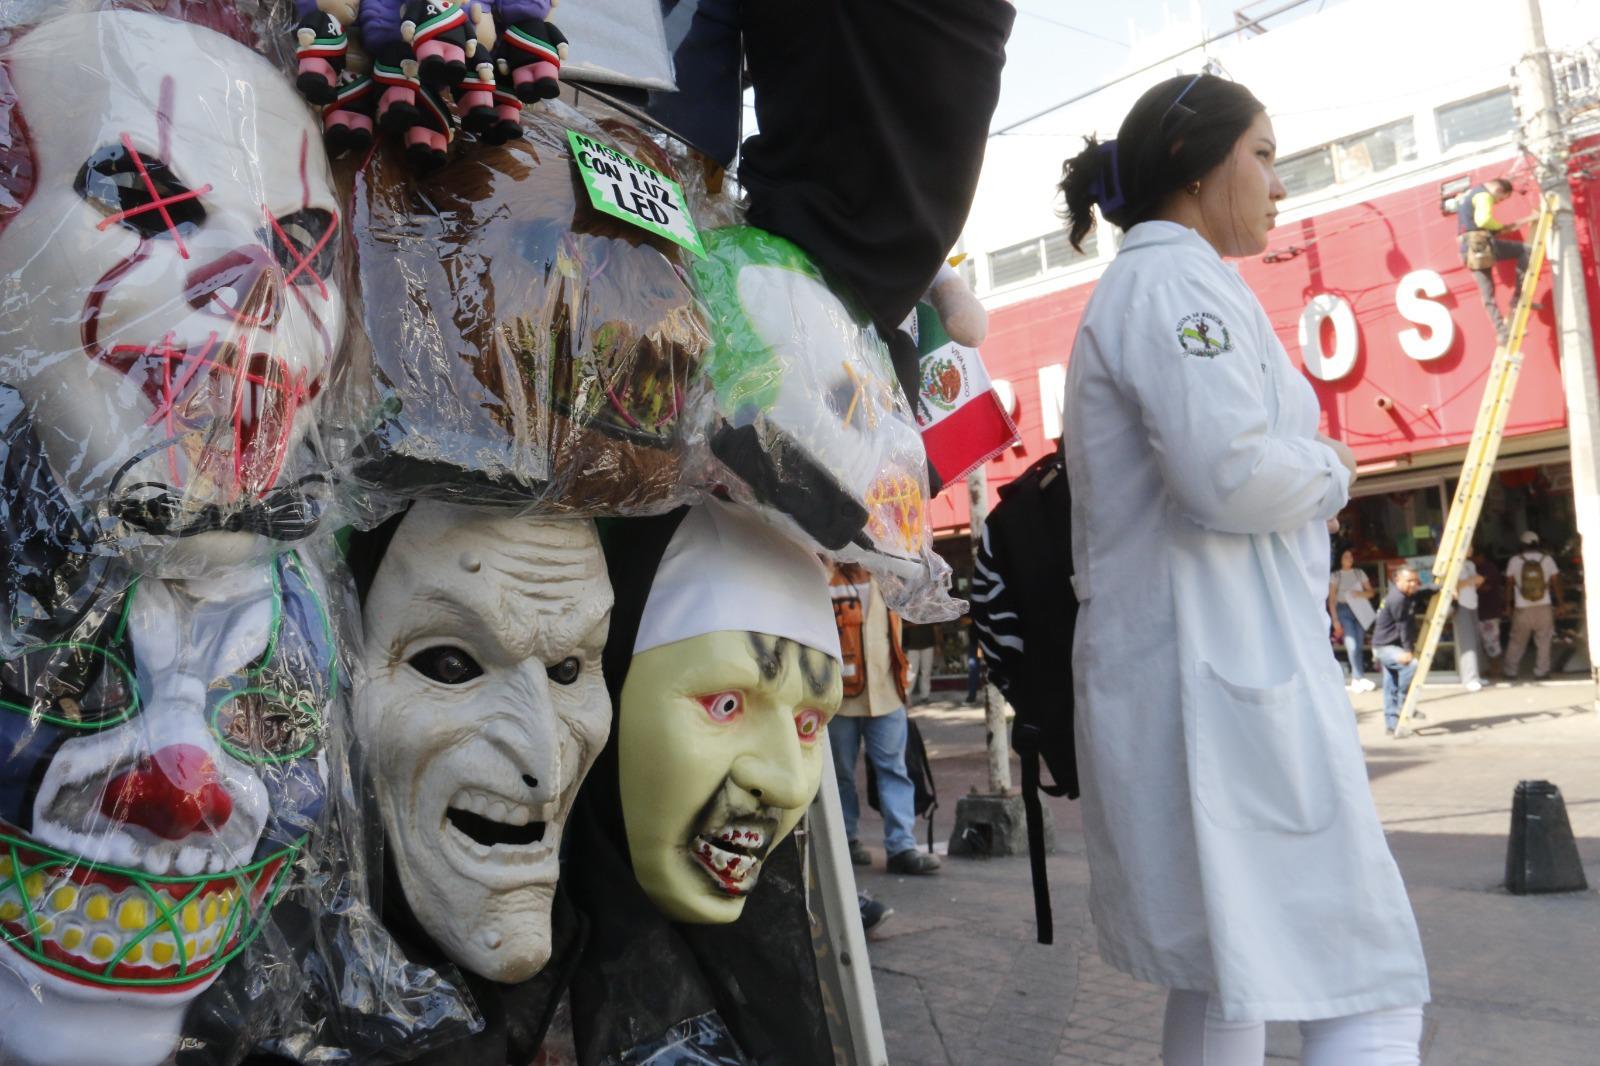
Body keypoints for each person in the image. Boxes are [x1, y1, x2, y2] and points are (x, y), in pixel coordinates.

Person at [1059, 73, 1428, 1065]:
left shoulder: (1166, 285)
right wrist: (1332, 468)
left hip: (1210, 675)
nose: (1277, 182)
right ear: (1193, 161)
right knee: (1364, 977)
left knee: (1231, 976)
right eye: (1261, 154)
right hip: (1222, 686)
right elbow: (1225, 472)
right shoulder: (1173, 286)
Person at [828, 564, 941, 875]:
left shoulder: (887, 576)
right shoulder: (825, 575)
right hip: (840, 695)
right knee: (840, 776)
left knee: (894, 770)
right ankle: (845, 840)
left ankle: (901, 846)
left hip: (887, 689)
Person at [1456, 177, 1538, 344]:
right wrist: (1499, 227)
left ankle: (1502, 333)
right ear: (1498, 190)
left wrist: (1521, 222)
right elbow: (1483, 220)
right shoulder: (1484, 196)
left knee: (1487, 294)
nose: (1496, 203)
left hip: (1469, 251)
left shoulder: (1470, 195)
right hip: (1481, 244)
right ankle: (1517, 297)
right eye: (1500, 199)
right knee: (1526, 250)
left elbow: (1480, 224)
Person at [1371, 567, 1425, 735]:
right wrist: (1408, 650)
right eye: (1409, 581)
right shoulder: (1397, 599)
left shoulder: (1407, 594)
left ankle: (1391, 725)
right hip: (1384, 647)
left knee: (1390, 684)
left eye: (1416, 581)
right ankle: (1405, 703)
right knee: (1411, 664)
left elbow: (1424, 590)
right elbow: (1403, 627)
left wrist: (1442, 589)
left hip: (1391, 646)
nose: (1413, 584)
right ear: (1397, 581)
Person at [1504, 530, 1562, 680]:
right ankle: (1542, 671)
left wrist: (1508, 606)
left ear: (1522, 544)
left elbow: (1509, 585)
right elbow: (1556, 582)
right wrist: (1561, 603)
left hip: (1522, 607)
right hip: (1544, 606)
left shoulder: (1514, 561)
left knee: (1517, 640)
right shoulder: (1547, 560)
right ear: (1538, 543)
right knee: (1544, 640)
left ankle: (1511, 671)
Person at [1328, 549, 1378, 692]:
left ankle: (1360, 677)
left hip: (1359, 608)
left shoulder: (1359, 573)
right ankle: (1357, 677)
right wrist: (1335, 620)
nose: (1349, 559)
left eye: (1351, 556)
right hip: (1343, 609)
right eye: (1346, 556)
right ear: (1340, 559)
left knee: (1359, 644)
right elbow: (1332, 599)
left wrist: (1359, 593)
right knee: (1352, 644)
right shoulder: (1335, 575)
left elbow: (1371, 593)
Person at [1453, 555, 1487, 692]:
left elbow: (1474, 582)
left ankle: (1476, 675)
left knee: (1475, 639)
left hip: (1472, 602)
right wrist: (1471, 580)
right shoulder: (1453, 564)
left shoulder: (1470, 564)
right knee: (1467, 642)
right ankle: (1469, 678)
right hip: (1461, 604)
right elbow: (1451, 585)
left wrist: (1477, 581)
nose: (1471, 549)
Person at [1473, 547, 1507, 679]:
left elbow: (1486, 587)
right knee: (1486, 642)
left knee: (1492, 642)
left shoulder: (1488, 568)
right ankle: (1491, 668)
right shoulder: (1480, 568)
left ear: (1481, 556)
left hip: (1489, 610)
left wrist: (1471, 585)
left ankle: (1496, 669)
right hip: (1482, 610)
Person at [902, 620, 939, 704]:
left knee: (926, 671)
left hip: (928, 644)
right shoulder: (907, 609)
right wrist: (911, 624)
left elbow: (936, 627)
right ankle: (907, 695)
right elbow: (900, 625)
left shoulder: (929, 609)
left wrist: (937, 644)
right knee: (911, 672)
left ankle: (925, 696)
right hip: (911, 646)